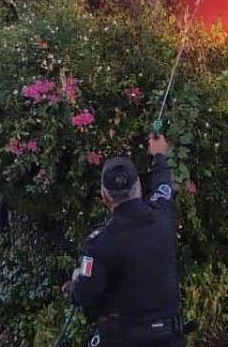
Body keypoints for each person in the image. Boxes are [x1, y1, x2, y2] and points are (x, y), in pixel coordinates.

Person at [70, 134, 183, 346]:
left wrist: (76, 281)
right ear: (138, 186)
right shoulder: (162, 217)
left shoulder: (100, 243)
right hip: (167, 338)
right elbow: (163, 184)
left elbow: (86, 294)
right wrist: (159, 154)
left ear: (104, 196)